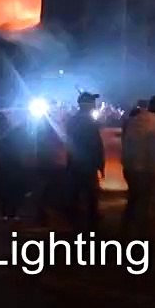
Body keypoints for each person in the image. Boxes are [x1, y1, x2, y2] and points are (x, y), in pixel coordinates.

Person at [121, 94, 155, 238]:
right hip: (148, 169)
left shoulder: (133, 120)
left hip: (129, 168)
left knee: (133, 200)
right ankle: (144, 239)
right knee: (148, 205)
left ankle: (126, 231)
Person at [65, 92, 105, 232]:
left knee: (75, 193)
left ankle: (74, 221)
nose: (95, 105)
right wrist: (100, 165)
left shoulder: (72, 120)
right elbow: (96, 144)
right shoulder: (89, 122)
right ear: (87, 105)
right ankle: (90, 224)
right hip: (87, 164)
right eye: (93, 102)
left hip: (75, 163)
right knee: (90, 195)